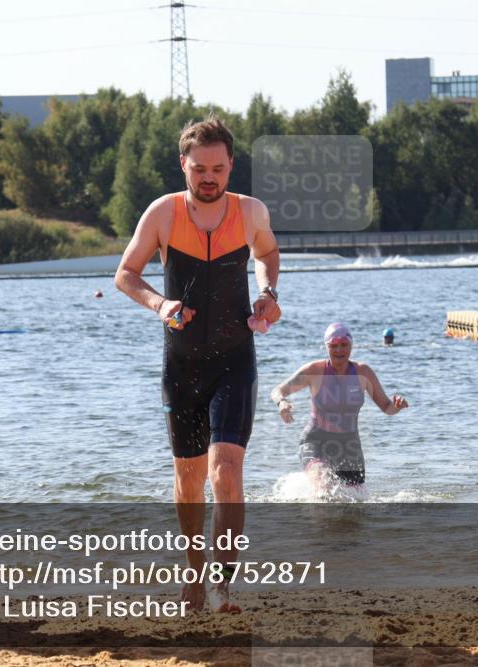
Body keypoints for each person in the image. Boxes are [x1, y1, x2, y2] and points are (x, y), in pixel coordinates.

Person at [114, 118, 281, 613]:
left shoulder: (249, 211)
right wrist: (159, 305)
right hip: (182, 365)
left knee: (225, 470)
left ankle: (223, 585)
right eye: (200, 168)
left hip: (235, 360)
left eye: (218, 168)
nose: (209, 177)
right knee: (188, 480)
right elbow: (125, 274)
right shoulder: (163, 214)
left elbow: (268, 253)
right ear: (183, 165)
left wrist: (269, 292)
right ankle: (193, 572)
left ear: (231, 166)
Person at [271, 323, 408, 488]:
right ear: (326, 347)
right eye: (333, 346)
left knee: (356, 502)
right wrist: (282, 402)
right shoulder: (315, 370)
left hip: (349, 444)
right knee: (323, 485)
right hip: (316, 440)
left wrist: (397, 407)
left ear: (351, 346)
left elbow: (387, 407)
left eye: (344, 345)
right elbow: (278, 390)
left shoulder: (363, 372)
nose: (339, 350)